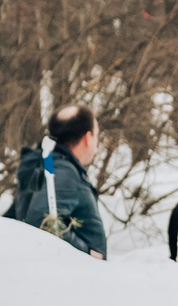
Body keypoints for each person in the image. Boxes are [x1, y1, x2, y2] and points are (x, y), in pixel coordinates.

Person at [13, 104, 107, 257]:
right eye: (96, 135)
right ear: (87, 138)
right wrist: (88, 253)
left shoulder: (49, 165)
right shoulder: (64, 172)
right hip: (72, 273)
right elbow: (41, 219)